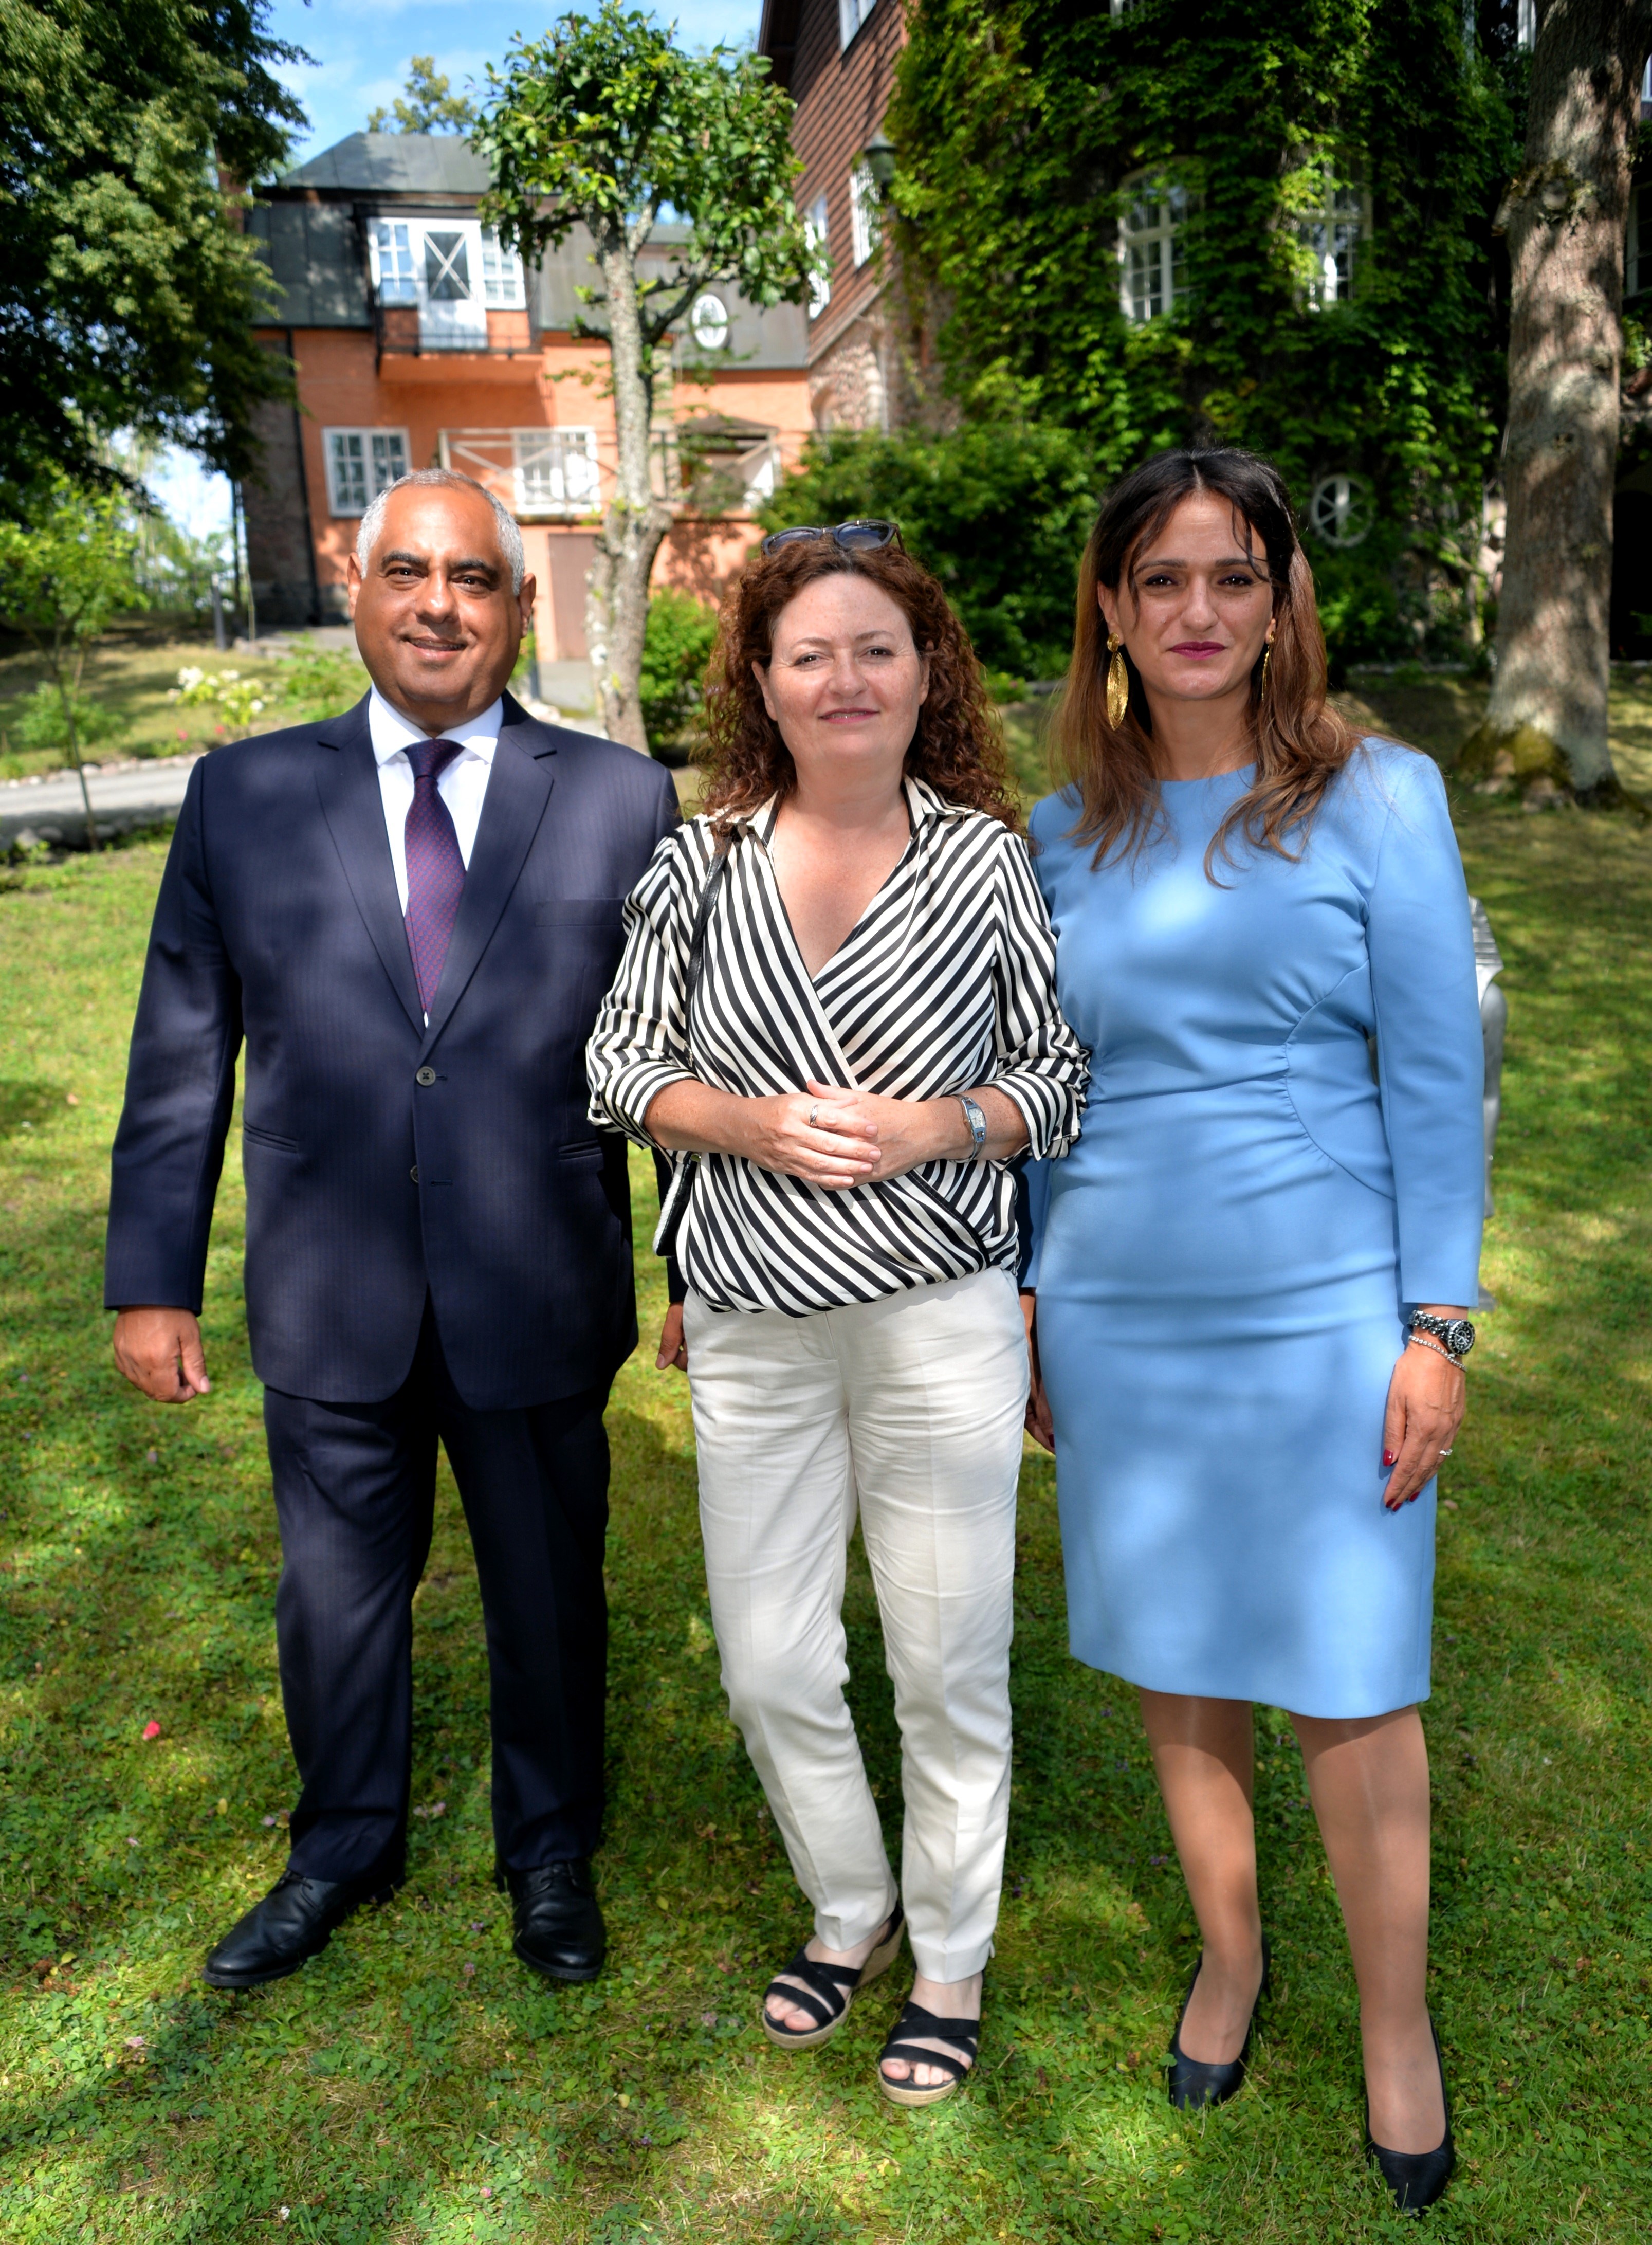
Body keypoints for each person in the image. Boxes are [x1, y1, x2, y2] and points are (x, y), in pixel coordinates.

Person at [104, 469, 678, 1992]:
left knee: (547, 1589)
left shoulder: (619, 800)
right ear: (356, 586)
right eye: (408, 572)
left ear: (519, 606)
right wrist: (153, 1281)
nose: (440, 605)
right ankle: (343, 1843)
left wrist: (695, 1267)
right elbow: (182, 1048)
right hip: (329, 1280)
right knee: (336, 1598)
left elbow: (684, 1051)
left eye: (474, 578)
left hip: (536, 1276)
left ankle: (548, 1849)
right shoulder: (241, 794)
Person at [1022, 450, 1482, 2212]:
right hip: (1120, 1307)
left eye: (1233, 577)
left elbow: (1437, 1077)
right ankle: (1231, 1957)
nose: (1198, 611)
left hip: (1325, 1310)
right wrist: (1036, 1301)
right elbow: (1047, 1097)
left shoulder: (1382, 796)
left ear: (1284, 601)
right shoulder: (1061, 834)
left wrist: (1437, 1324)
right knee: (1178, 1653)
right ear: (1113, 612)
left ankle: (1395, 2025)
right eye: (1161, 580)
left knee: (1354, 1682)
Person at [586, 521, 1087, 2105]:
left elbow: (1058, 1080)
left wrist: (944, 1124)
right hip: (753, 1326)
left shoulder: (985, 860)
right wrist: (741, 1121)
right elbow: (617, 1066)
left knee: (947, 1663)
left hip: (940, 1320)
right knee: (770, 1662)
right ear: (763, 679)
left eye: (878, 648)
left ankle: (949, 1955)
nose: (846, 678)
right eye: (811, 653)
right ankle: (850, 1906)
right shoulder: (699, 862)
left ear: (928, 673)